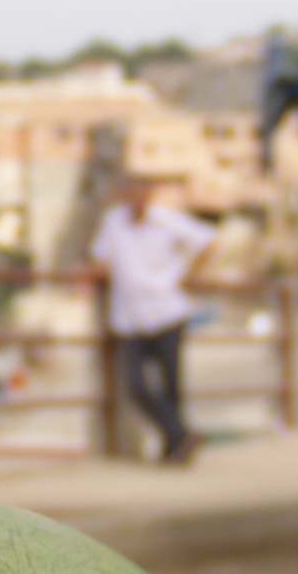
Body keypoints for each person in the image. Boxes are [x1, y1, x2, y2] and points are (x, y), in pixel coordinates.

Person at [90, 173, 215, 466]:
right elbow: (101, 258)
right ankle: (181, 434)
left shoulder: (166, 221)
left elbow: (208, 240)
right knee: (135, 384)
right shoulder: (113, 222)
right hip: (131, 318)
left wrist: (187, 274)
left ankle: (174, 447)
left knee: (171, 385)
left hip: (167, 310)